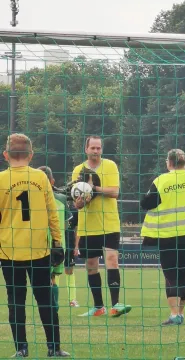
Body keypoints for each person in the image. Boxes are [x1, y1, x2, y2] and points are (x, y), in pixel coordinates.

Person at [0, 134, 69, 358]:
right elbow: (52, 213)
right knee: (46, 300)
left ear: (5, 155)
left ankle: (21, 348)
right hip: (39, 250)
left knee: (16, 302)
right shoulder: (40, 177)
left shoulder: (1, 180)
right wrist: (57, 241)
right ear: (31, 155)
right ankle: (54, 347)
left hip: (9, 251)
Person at [140, 149, 185, 326]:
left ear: (168, 162)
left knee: (171, 275)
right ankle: (181, 313)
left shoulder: (161, 181)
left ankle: (174, 314)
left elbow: (145, 203)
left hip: (168, 236)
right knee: (183, 274)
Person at [72, 135, 131, 317]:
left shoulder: (110, 166)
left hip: (110, 223)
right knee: (91, 265)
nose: (96, 151)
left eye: (98, 148)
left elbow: (115, 192)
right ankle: (99, 307)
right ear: (86, 149)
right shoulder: (78, 170)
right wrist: (82, 199)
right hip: (88, 226)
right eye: (93, 148)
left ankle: (116, 304)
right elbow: (77, 204)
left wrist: (93, 188)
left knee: (112, 260)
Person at [38, 166, 79, 309]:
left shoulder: (34, 199)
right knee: (53, 277)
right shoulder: (61, 199)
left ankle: (50, 306)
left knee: (44, 278)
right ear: (52, 181)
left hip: (39, 244)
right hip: (58, 245)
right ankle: (54, 307)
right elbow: (68, 224)